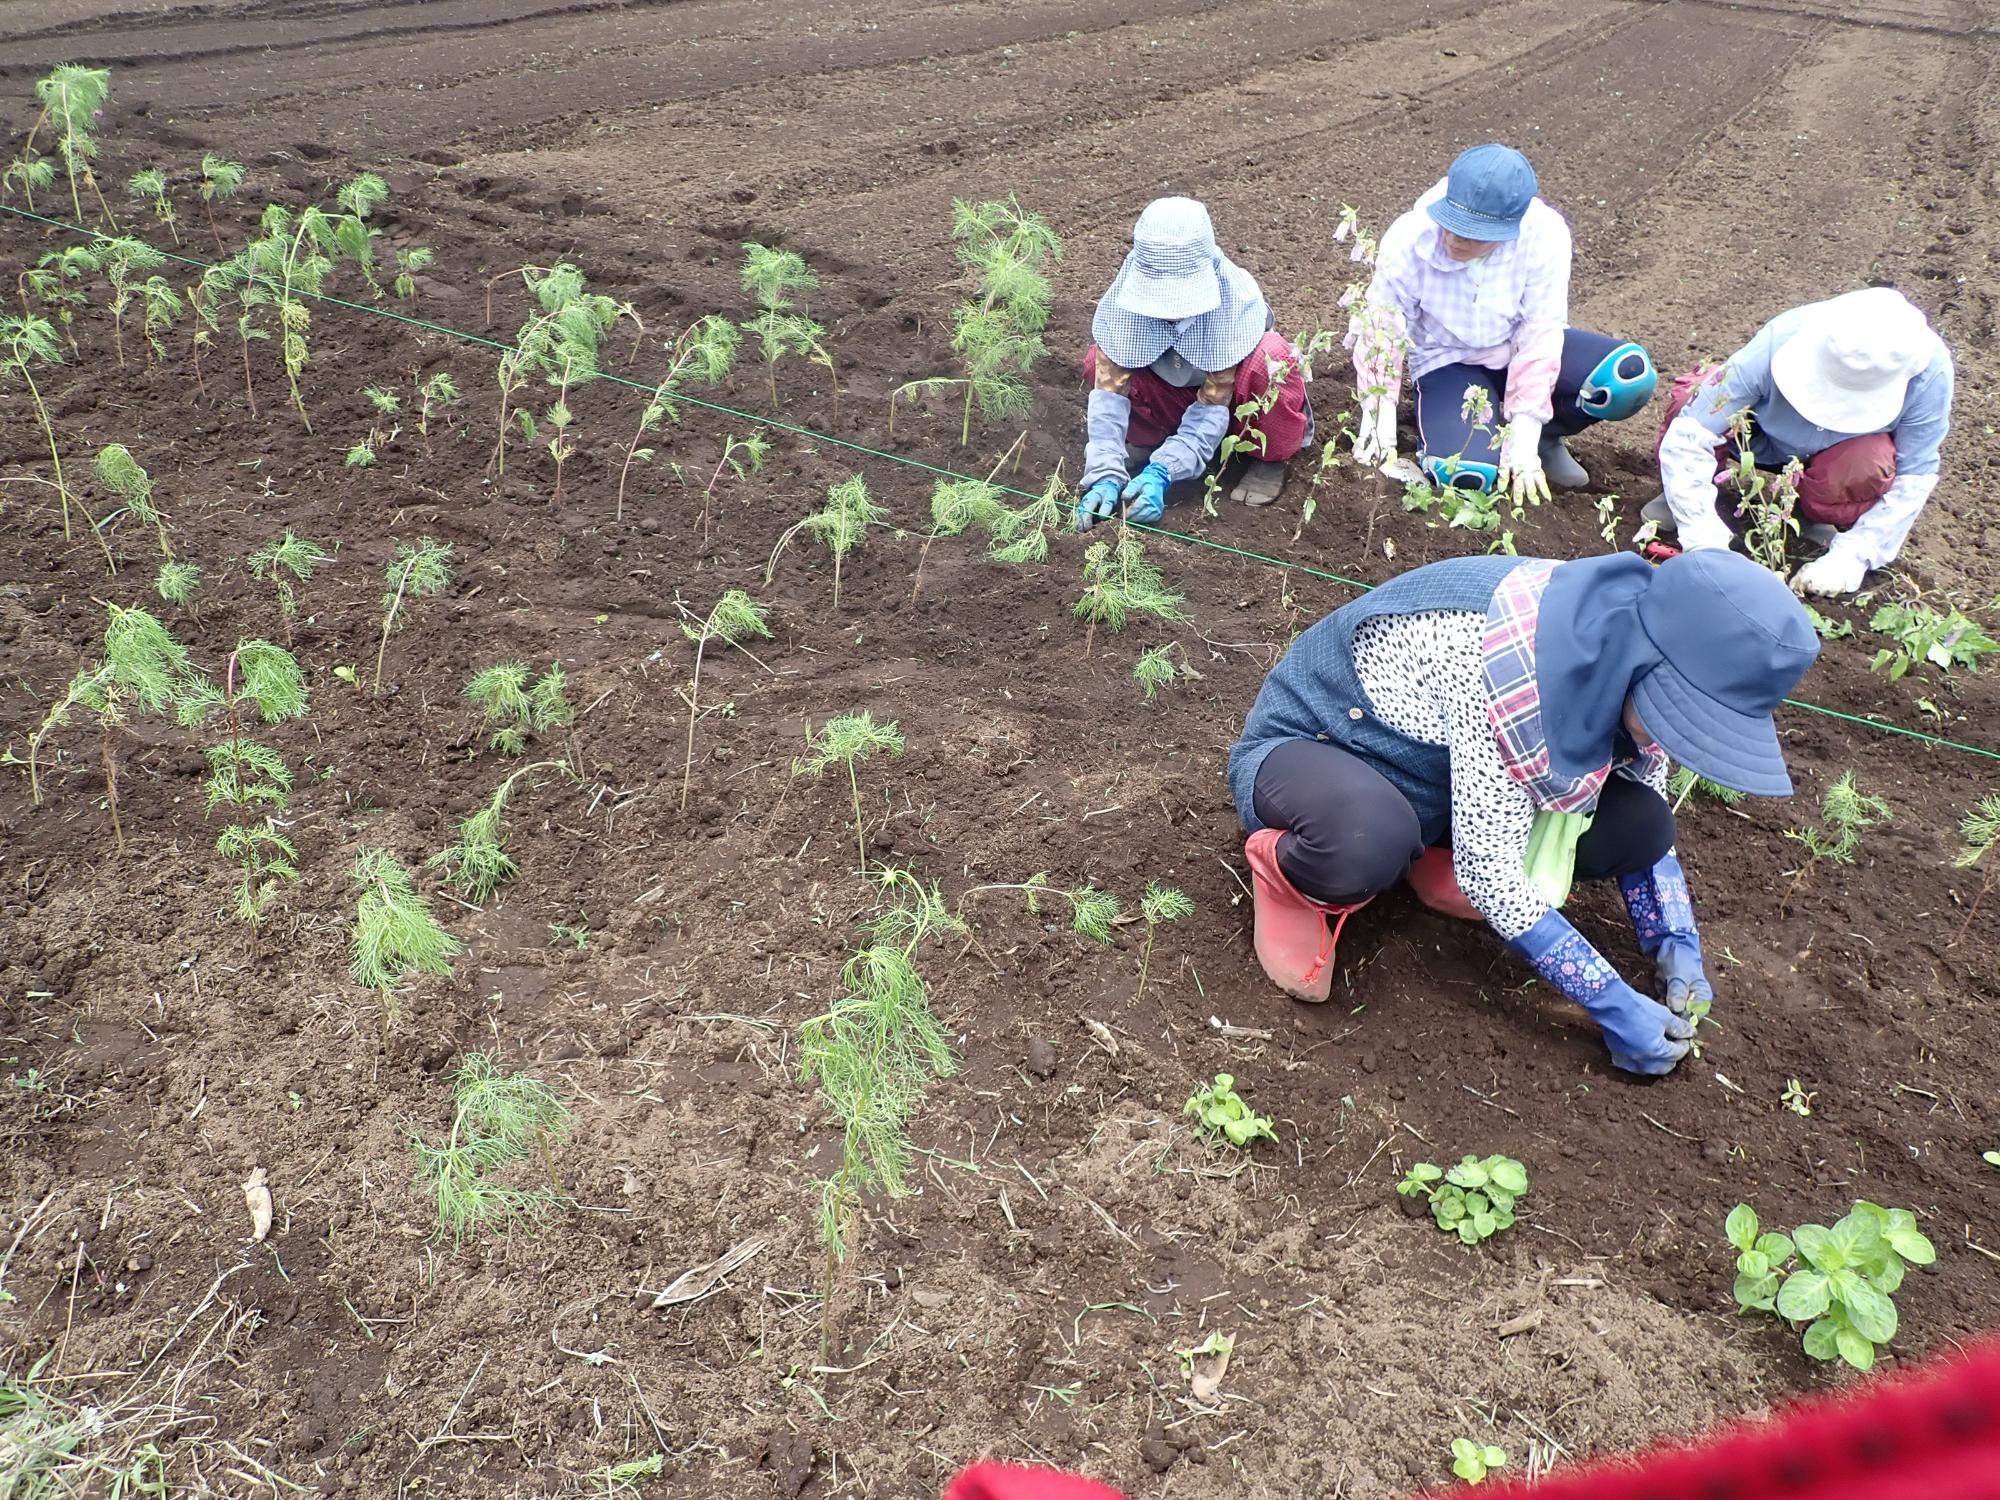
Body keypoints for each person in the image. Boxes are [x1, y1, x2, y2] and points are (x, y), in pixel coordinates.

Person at [1225, 549, 1820, 1076]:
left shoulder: (1621, 657)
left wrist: (1673, 937)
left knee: (1638, 823)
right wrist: (1607, 1000)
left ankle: (1427, 852)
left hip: (1445, 780)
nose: (1683, 736)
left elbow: (1647, 786)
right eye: (1683, 712)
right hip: (1329, 750)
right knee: (1364, 840)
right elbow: (1492, 875)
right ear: (1642, 664)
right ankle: (1291, 876)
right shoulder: (1506, 658)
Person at [1350, 143, 1658, 504]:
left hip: (1515, 347)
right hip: (1447, 359)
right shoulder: (1410, 235)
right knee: (1465, 475)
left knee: (1626, 376)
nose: (1454, 238)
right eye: (1451, 224)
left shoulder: (1544, 236)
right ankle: (1459, 435)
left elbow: (1539, 334)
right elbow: (1382, 329)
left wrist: (1524, 438)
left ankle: (1545, 438)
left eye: (1472, 233)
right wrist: (1377, 424)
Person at [1643, 286, 1953, 597]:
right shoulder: (1786, 335)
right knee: (1694, 396)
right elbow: (1691, 433)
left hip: (1835, 461)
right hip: (1755, 436)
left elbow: (1914, 476)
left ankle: (1814, 513)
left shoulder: (1929, 375)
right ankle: (1685, 497)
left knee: (1874, 460)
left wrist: (1852, 558)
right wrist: (1702, 537)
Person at [1077, 197, 1314, 526]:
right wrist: (1103, 472)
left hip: (1232, 411)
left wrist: (1164, 471)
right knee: (1095, 360)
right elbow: (1109, 394)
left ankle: (1268, 459)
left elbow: (1212, 404)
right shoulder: (1125, 307)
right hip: (1172, 399)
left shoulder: (1233, 304)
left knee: (1271, 360)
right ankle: (1148, 442)